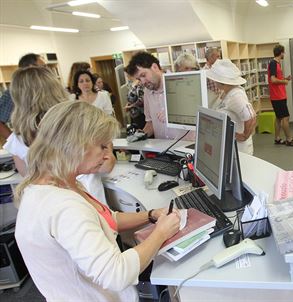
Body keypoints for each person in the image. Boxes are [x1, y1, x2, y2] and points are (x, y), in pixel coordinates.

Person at [14, 101, 180, 301]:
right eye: (102, 147)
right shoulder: (65, 207)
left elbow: (108, 220)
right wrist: (161, 233)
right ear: (74, 144)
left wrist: (151, 215)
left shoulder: (55, 185)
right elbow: (116, 275)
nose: (107, 156)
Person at [4, 66, 114, 204]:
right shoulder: (79, 123)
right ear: (54, 89)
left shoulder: (18, 139)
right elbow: (106, 166)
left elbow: (28, 176)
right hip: (87, 199)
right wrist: (107, 146)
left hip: (52, 205)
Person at [125, 51, 193, 140]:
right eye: (139, 79)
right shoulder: (147, 92)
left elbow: (197, 118)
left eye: (143, 75)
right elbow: (150, 124)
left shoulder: (182, 83)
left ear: (155, 67)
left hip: (185, 149)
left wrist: (174, 115)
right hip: (162, 150)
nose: (143, 82)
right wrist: (140, 135)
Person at [206, 59, 256, 155]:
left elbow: (251, 116)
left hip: (240, 150)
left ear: (222, 82)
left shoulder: (236, 95)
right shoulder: (226, 91)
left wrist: (244, 135)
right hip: (232, 146)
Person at [0, 53, 46, 140]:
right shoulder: (13, 93)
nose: (47, 71)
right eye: (43, 68)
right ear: (29, 68)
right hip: (29, 145)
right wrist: (14, 142)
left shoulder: (46, 90)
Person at [268, 44, 293, 146]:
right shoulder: (273, 63)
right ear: (281, 52)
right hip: (278, 97)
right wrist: (284, 82)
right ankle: (289, 140)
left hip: (279, 95)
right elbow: (273, 80)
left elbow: (276, 79)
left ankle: (277, 139)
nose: (284, 54)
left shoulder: (277, 64)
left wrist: (285, 79)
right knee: (285, 118)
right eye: (284, 52)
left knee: (278, 118)